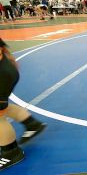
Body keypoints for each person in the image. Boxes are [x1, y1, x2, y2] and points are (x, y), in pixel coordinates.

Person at [0, 38, 46, 171]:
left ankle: (11, 153)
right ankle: (32, 124)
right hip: (6, 68)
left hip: (3, 74)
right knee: (3, 107)